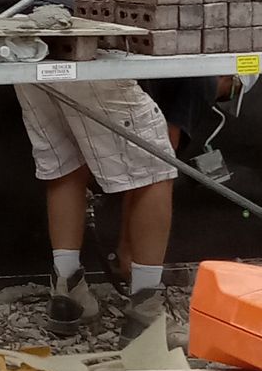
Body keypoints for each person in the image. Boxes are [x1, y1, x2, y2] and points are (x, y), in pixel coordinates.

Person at [13, 75, 178, 333]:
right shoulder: (200, 87)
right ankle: (147, 312)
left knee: (64, 158)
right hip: (82, 52)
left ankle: (67, 290)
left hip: (27, 57)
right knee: (155, 165)